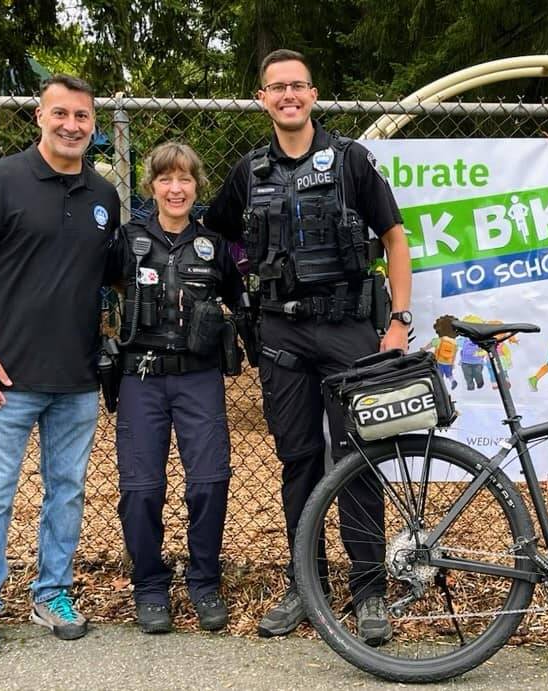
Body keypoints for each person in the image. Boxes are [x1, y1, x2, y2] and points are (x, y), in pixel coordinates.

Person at [205, 48, 412, 646]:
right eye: (277, 87)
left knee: (360, 459)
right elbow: (216, 238)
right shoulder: (249, 172)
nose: (288, 95)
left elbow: (395, 239)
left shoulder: (351, 161)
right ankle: (305, 583)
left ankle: (369, 589)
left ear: (313, 94)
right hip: (281, 335)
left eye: (297, 86)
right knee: (298, 461)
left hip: (351, 331)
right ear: (263, 98)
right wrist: (241, 294)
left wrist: (398, 319)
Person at [0, 75, 121, 659]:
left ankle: (52, 594)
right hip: (4, 378)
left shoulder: (104, 196)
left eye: (83, 117)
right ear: (39, 116)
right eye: (61, 114)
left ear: (93, 125)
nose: (72, 125)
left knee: (66, 492)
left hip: (75, 379)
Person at [105, 142, 244, 634]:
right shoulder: (128, 239)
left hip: (199, 378)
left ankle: (204, 581)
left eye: (185, 178)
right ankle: (150, 586)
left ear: (197, 185)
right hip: (141, 378)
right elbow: (102, 287)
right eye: (166, 179)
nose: (176, 188)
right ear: (152, 186)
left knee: (209, 482)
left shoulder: (214, 245)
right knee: (141, 490)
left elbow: (241, 301)